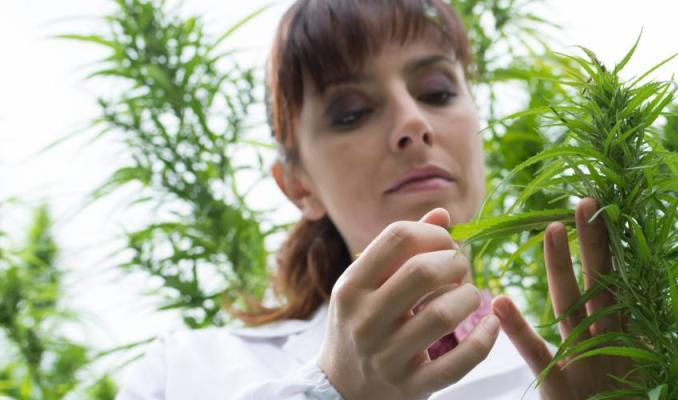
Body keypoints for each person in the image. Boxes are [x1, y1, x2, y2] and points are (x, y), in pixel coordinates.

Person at [117, 0, 628, 398]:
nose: (412, 123)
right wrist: (335, 392)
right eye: (351, 113)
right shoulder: (186, 371)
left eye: (436, 91)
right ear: (298, 186)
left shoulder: (581, 371)